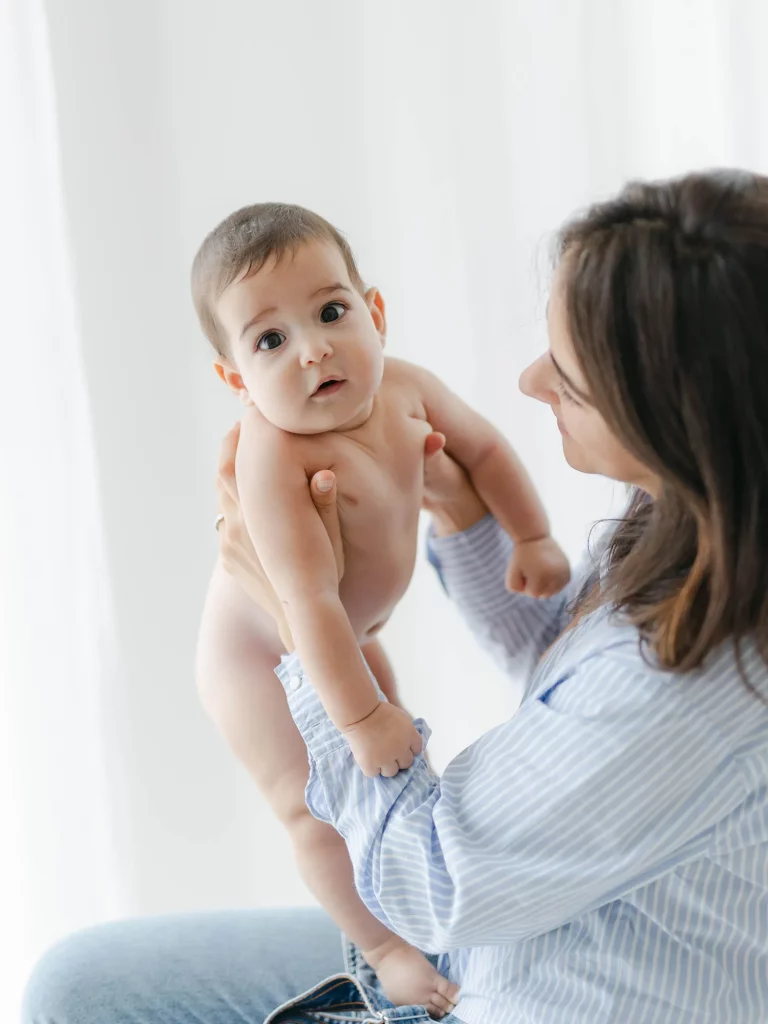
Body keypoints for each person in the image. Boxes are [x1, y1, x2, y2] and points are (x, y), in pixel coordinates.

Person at [24, 169, 768, 1024]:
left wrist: (316, 657)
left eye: (568, 374)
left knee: (88, 994)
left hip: (501, 970)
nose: (530, 381)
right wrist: (464, 515)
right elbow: (571, 672)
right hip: (501, 929)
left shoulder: (692, 686)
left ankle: (379, 957)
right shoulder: (696, 521)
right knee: (80, 981)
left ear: (677, 416)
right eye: (269, 339)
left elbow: (437, 883)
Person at [191, 203, 569, 1014]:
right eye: (270, 340)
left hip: (343, 634)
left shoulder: (406, 391)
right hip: (262, 656)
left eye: (331, 312)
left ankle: (418, 898)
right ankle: (386, 945)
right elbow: (304, 597)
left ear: (376, 313)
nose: (313, 348)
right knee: (315, 807)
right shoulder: (272, 454)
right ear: (236, 380)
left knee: (400, 770)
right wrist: (357, 720)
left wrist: (533, 537)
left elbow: (488, 451)